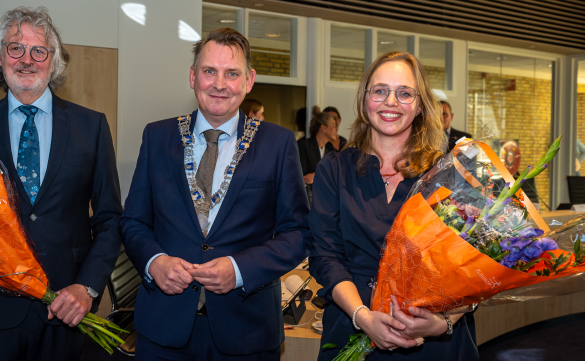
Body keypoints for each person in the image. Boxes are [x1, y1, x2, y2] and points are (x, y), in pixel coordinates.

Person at [0, 7, 122, 361]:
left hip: (66, 308)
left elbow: (109, 218)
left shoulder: (91, 126)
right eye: (15, 48)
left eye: (39, 51)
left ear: (54, 61)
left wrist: (88, 287)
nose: (27, 60)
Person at [119, 28, 311, 360]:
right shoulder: (157, 136)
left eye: (231, 73)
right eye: (209, 71)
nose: (219, 84)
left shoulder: (277, 144)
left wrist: (240, 269)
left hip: (247, 331)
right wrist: (155, 262)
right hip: (163, 329)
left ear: (249, 81)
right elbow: (133, 221)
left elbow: (297, 233)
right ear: (193, 76)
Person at [309, 52, 478, 360]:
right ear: (364, 99)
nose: (391, 102)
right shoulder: (334, 168)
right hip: (352, 326)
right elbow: (325, 257)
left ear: (419, 104)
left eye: (404, 93)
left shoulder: (450, 173)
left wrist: (441, 323)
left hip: (434, 343)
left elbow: (476, 269)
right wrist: (362, 316)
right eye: (380, 90)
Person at [297, 106, 337, 188]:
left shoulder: (331, 149)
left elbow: (336, 174)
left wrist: (315, 175)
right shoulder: (303, 146)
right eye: (333, 125)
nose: (336, 129)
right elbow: (303, 178)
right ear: (324, 128)